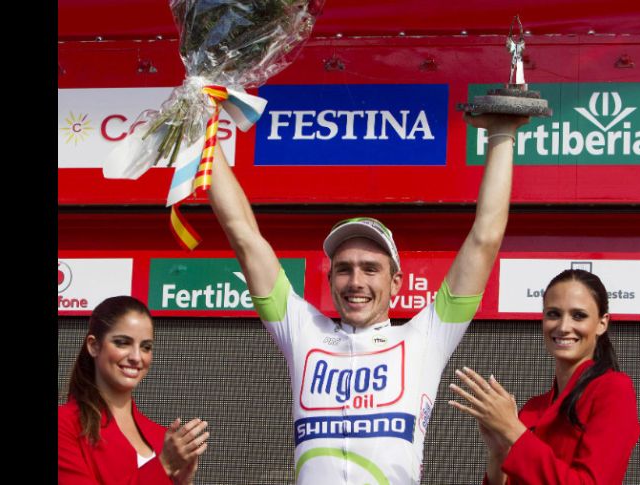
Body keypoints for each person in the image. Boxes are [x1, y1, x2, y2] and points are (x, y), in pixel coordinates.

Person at [208, 112, 528, 484]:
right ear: (330, 279)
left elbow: (485, 238)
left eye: (370, 269)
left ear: (396, 283)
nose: (356, 281)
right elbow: (244, 236)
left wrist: (501, 134)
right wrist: (205, 131)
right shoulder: (303, 331)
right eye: (344, 269)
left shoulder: (425, 337)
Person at [449, 269, 640, 485]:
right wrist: (499, 452)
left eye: (579, 315)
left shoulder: (614, 389)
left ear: (602, 323)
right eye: (553, 314)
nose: (563, 327)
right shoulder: (532, 409)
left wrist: (512, 429)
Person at [58, 296, 210, 485]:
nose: (136, 357)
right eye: (122, 342)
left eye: (146, 347)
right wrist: (163, 466)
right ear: (94, 345)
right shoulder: (65, 425)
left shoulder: (161, 437)